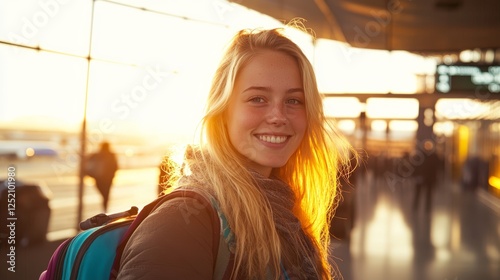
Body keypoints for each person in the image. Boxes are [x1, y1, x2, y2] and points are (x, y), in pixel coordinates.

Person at [116, 27, 355, 279]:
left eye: (294, 101)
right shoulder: (182, 222)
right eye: (258, 99)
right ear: (223, 110)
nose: (278, 117)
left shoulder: (283, 214)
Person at [86, 141, 118, 212]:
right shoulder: (111, 155)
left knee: (104, 194)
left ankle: (105, 208)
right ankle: (105, 209)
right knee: (106, 195)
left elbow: (87, 162)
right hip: (108, 179)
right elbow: (115, 166)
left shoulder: (96, 154)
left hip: (98, 178)